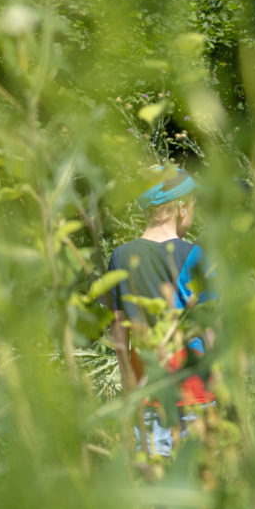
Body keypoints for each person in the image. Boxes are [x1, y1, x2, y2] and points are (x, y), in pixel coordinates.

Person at [106, 167, 215, 457]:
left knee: (155, 483)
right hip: (196, 390)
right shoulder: (197, 255)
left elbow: (119, 330)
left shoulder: (121, 256)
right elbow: (208, 326)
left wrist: (127, 380)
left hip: (148, 390)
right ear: (181, 208)